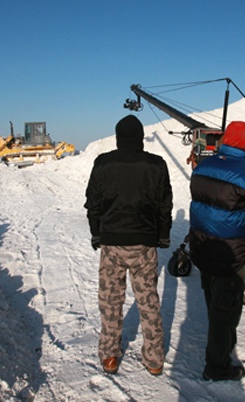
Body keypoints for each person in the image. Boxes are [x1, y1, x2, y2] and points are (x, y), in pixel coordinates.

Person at [84, 115, 173, 376]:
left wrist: (96, 234)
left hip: (112, 244)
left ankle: (110, 355)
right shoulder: (156, 164)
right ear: (141, 138)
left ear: (118, 137)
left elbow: (93, 204)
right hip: (144, 245)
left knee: (111, 301)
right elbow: (164, 205)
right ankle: (154, 359)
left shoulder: (103, 163)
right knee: (148, 302)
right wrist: (163, 236)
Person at [189, 121, 245, 381]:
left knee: (213, 300)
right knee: (225, 314)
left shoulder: (203, 166)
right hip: (230, 253)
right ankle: (217, 367)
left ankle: (218, 349)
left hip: (202, 247)